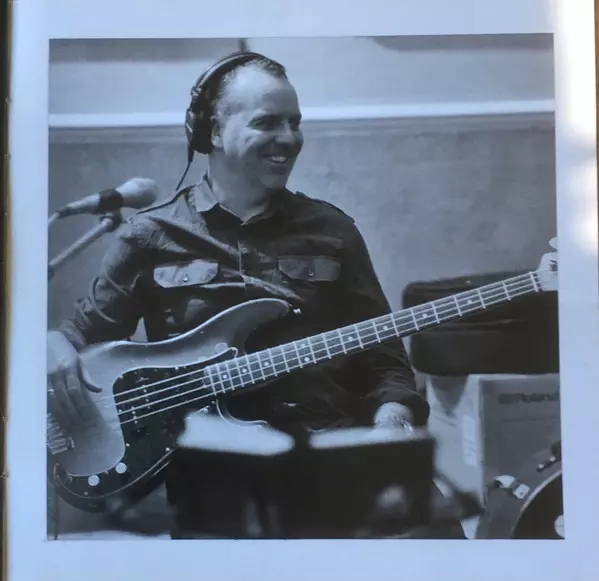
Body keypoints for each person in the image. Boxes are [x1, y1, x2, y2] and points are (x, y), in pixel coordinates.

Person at [47, 52, 463, 538]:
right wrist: (53, 347)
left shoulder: (333, 231)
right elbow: (81, 336)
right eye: (267, 122)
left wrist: (391, 424)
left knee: (440, 536)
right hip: (212, 473)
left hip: (330, 449)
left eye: (294, 123)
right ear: (211, 132)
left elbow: (384, 358)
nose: (288, 138)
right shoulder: (148, 235)